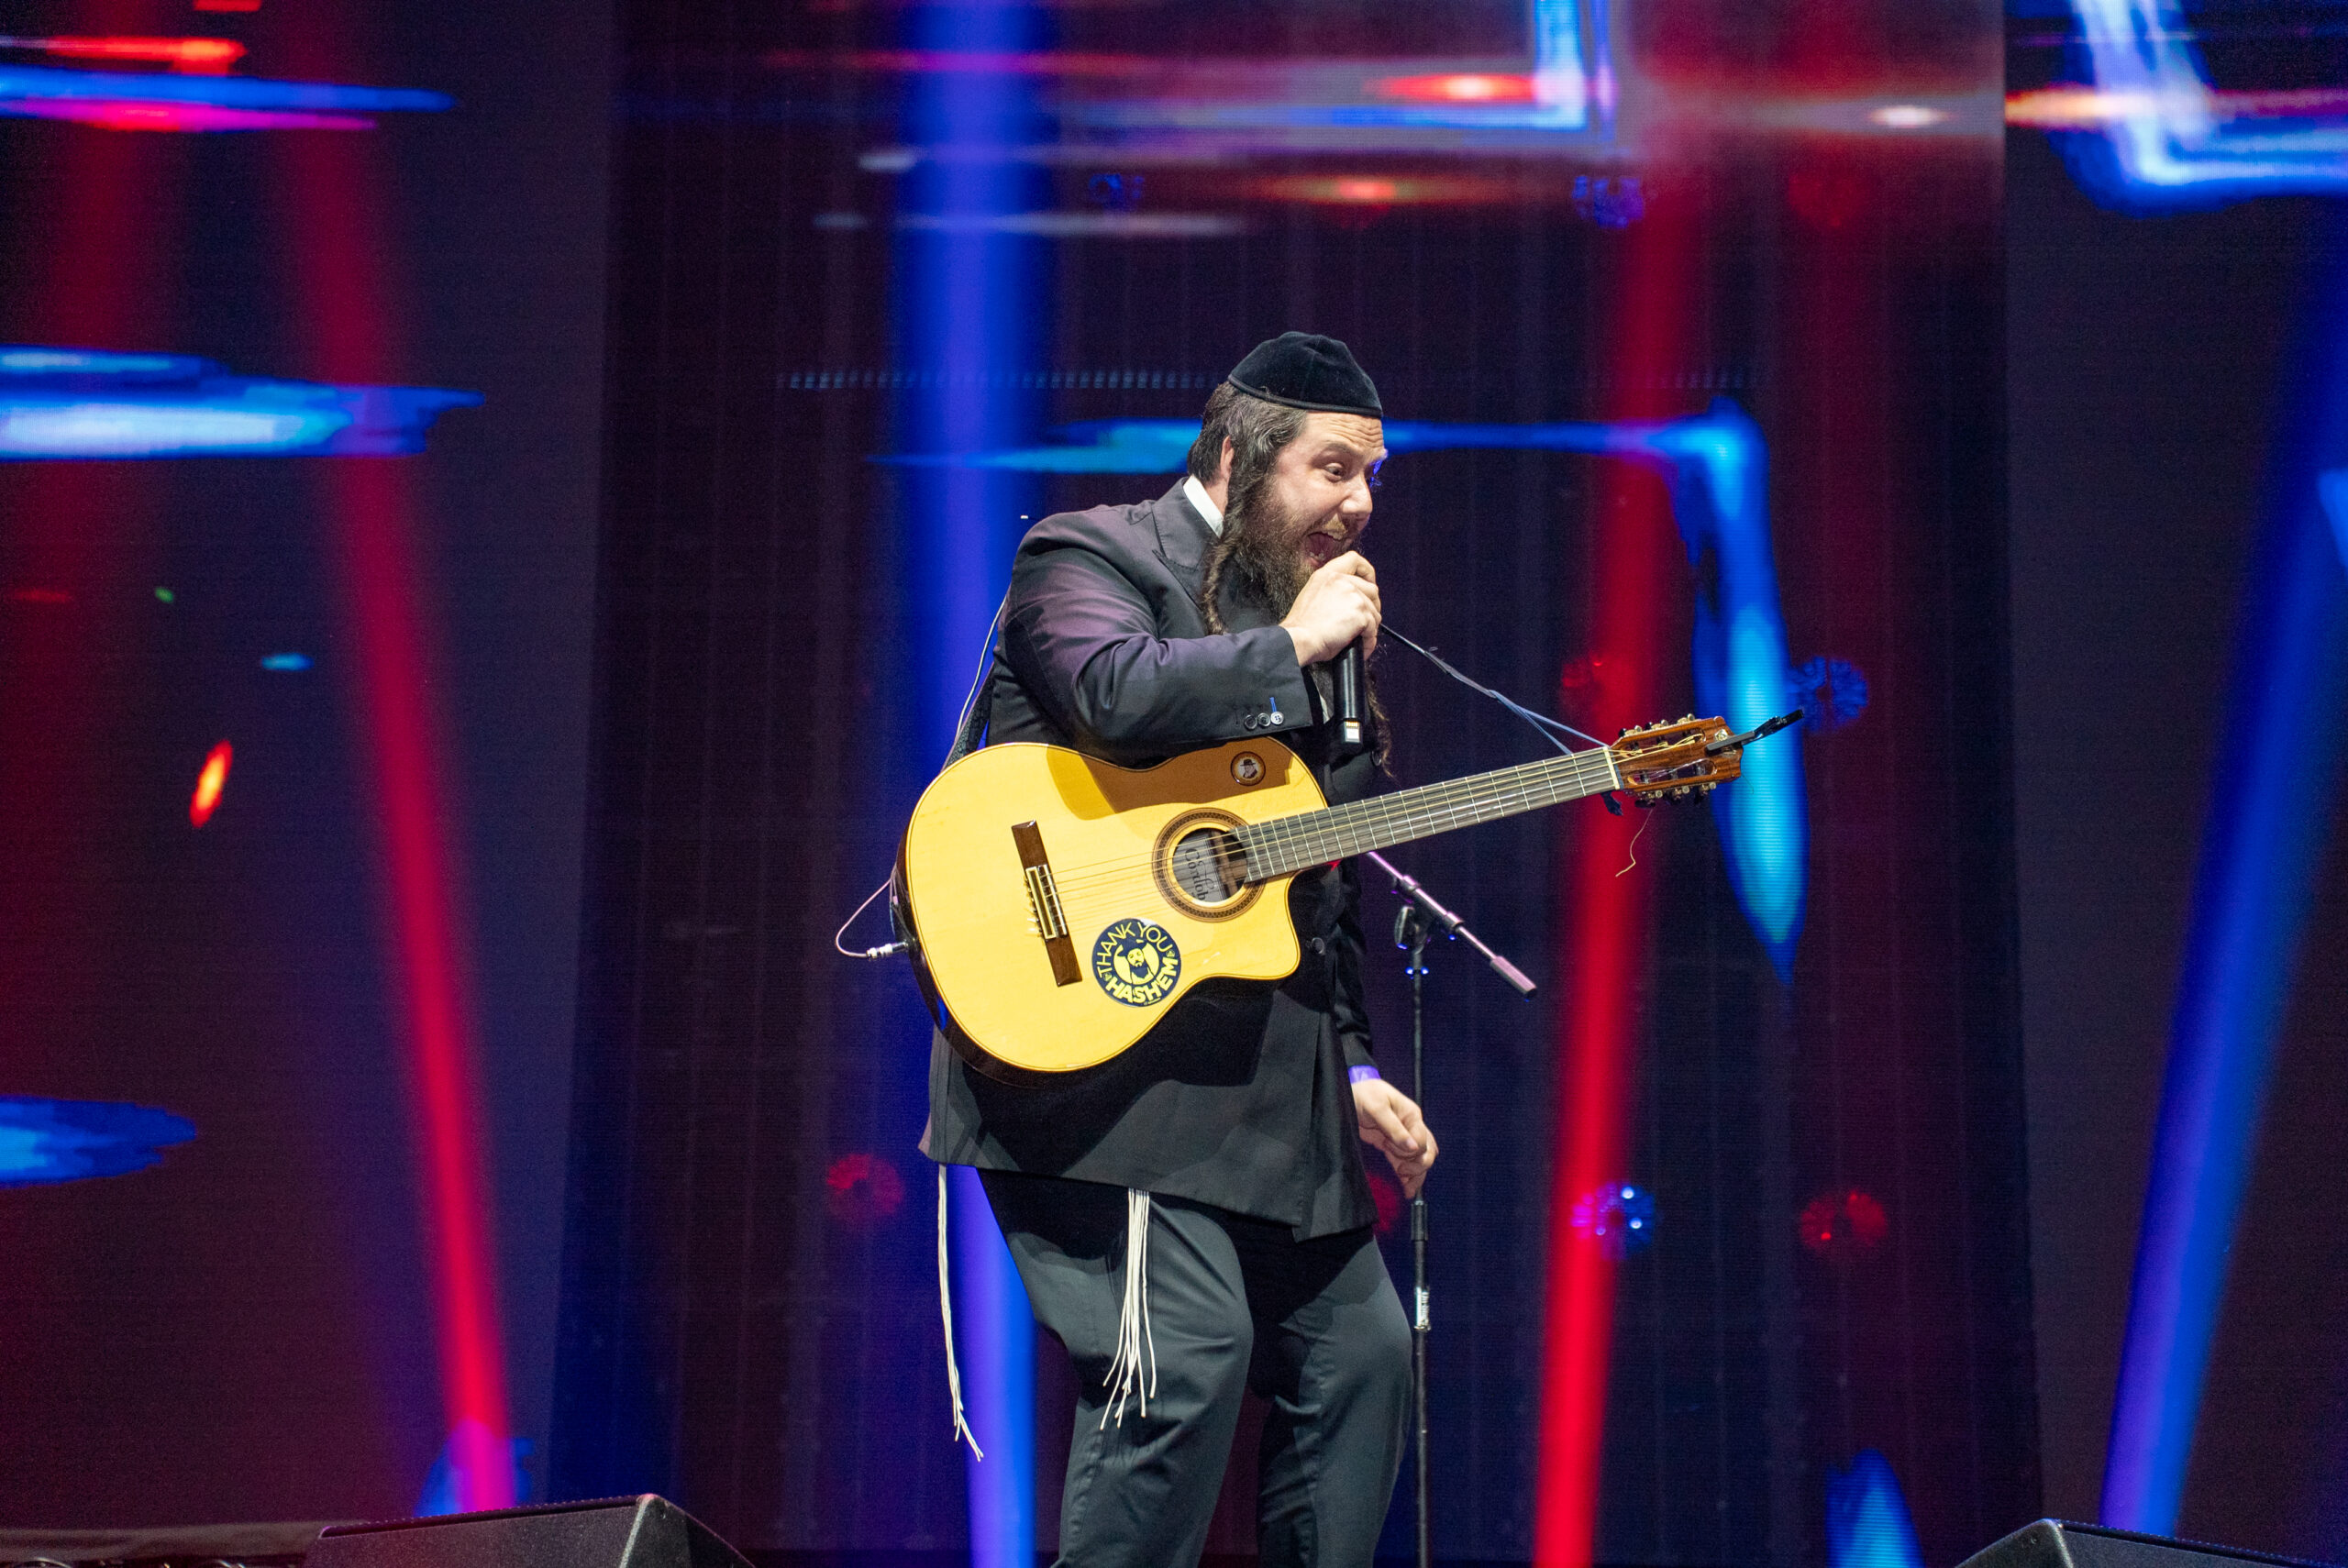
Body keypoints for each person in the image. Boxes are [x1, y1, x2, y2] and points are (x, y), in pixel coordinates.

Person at [922, 332, 1439, 1568]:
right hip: (1109, 1070)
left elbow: (1318, 876)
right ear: (1239, 454)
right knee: (1184, 1363)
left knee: (1364, 1360)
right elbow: (1112, 688)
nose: (1360, 504)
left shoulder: (1308, 630)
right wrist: (1293, 649)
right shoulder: (1093, 551)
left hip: (1265, 1087)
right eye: (1333, 468)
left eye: (1372, 476)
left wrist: (1355, 1064)